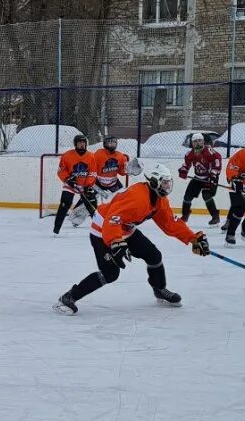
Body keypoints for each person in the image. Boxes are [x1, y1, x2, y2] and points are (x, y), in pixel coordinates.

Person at [55, 163, 210, 314]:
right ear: (154, 182)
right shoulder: (137, 198)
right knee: (110, 274)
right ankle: (68, 298)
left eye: (168, 183)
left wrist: (193, 239)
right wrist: (116, 242)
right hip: (103, 230)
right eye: (164, 183)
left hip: (125, 228)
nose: (167, 187)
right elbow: (112, 219)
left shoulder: (159, 199)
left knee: (153, 255)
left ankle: (160, 289)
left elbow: (170, 223)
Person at [51, 132, 97, 234]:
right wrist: (68, 179)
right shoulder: (67, 155)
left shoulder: (91, 156)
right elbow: (61, 171)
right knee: (65, 203)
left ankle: (101, 227)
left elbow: (93, 172)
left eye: (83, 143)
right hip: (70, 184)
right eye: (79, 143)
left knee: (93, 206)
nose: (82, 145)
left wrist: (88, 185)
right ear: (75, 144)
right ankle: (56, 229)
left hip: (85, 184)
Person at [177, 133, 222, 224]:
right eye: (195, 141)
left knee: (206, 195)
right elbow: (186, 164)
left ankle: (215, 216)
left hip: (210, 177)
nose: (197, 143)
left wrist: (213, 176)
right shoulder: (189, 154)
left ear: (203, 142)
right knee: (187, 197)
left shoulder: (209, 151)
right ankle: (185, 215)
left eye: (200, 141)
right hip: (198, 178)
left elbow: (217, 162)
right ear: (192, 143)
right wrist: (183, 170)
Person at [91, 136, 133, 205]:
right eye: (109, 143)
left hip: (113, 183)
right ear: (104, 144)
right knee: (88, 196)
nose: (111, 145)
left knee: (123, 198)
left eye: (113, 143)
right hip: (98, 183)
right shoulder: (98, 154)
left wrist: (129, 170)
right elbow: (92, 168)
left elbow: (122, 171)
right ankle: (77, 210)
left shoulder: (120, 156)